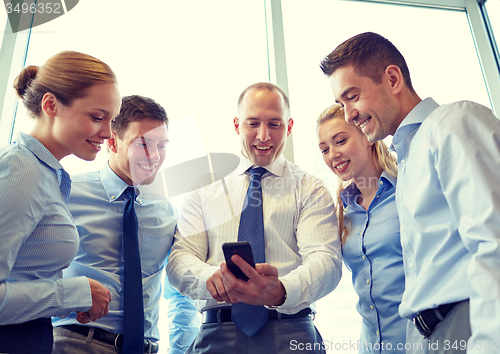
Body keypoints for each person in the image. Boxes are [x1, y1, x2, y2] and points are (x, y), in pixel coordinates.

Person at [320, 31, 500, 353]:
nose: (349, 114)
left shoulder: (452, 122)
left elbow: (493, 241)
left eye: (352, 96)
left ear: (392, 79)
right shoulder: (409, 160)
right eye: (340, 103)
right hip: (420, 336)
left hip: (461, 324)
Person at [166, 82, 342, 354]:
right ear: (237, 125)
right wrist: (210, 278)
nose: (263, 135)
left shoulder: (309, 187)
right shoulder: (204, 184)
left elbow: (326, 261)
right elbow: (179, 260)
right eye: (252, 124)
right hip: (218, 333)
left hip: (291, 331)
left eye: (274, 124)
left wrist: (281, 290)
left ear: (289, 126)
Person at [52, 95, 199, 354]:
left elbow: (178, 293)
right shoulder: (67, 193)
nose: (154, 155)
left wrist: (181, 349)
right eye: (142, 143)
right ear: (112, 142)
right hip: (74, 341)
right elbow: (29, 273)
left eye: (162, 145)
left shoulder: (166, 212)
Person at [0, 51, 120, 354]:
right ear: (51, 105)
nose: (107, 133)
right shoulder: (21, 171)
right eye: (97, 117)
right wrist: (72, 294)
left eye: (111, 120)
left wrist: (71, 299)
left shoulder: (47, 174)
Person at [317, 104, 406, 353]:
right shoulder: (342, 212)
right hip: (370, 345)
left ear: (367, 135)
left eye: (340, 141)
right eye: (324, 149)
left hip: (419, 340)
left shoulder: (406, 190)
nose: (332, 154)